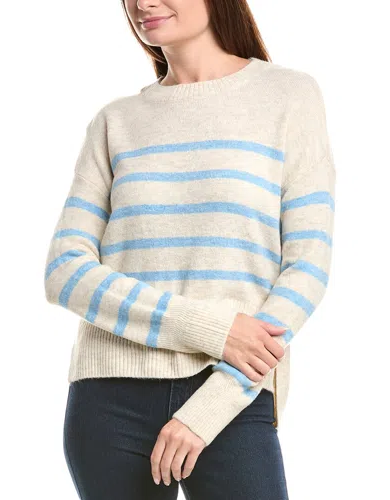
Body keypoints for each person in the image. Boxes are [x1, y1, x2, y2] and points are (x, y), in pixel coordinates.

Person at [43, 0, 336, 498]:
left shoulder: (288, 96)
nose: (142, 3)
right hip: (109, 400)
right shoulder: (115, 121)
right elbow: (64, 272)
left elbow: (306, 268)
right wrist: (214, 329)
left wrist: (211, 406)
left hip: (232, 390)